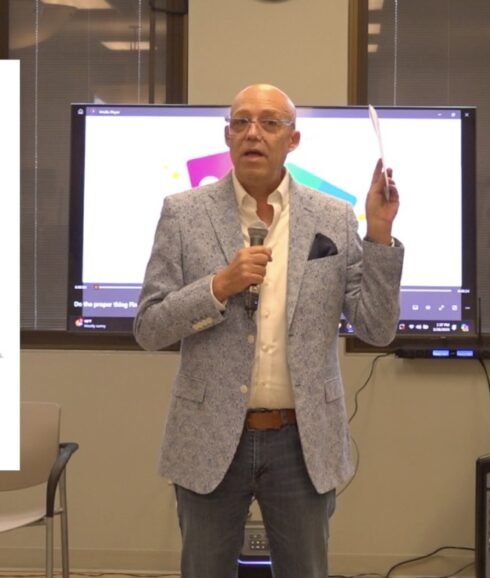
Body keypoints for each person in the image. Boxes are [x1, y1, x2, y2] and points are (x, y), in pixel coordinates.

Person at [134, 84, 404, 578]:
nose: (252, 133)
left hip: (301, 441)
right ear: (227, 136)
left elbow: (377, 329)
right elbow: (149, 327)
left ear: (293, 140)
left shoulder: (334, 217)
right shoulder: (183, 213)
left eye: (269, 123)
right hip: (210, 434)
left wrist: (380, 234)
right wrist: (218, 286)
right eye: (240, 122)